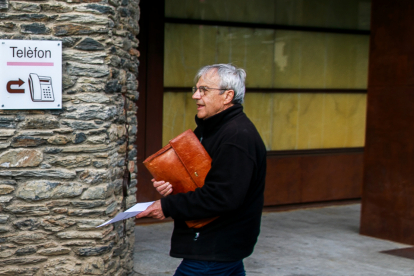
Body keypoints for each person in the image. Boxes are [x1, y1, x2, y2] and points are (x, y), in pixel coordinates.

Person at [136, 64, 267, 276]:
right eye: (195, 89)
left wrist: (167, 206)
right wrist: (173, 185)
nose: (196, 96)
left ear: (227, 96)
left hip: (214, 247)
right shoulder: (211, 128)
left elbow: (222, 197)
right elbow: (200, 179)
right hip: (218, 248)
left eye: (204, 90)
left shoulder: (237, 136)